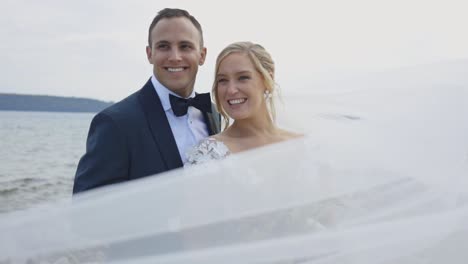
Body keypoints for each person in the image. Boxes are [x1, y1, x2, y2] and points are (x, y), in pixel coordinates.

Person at [73, 8, 220, 194]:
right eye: (164, 46)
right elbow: (86, 208)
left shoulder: (215, 113)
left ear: (202, 55)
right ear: (149, 54)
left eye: (185, 46)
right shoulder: (115, 123)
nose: (175, 57)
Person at [186, 41, 301, 164]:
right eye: (223, 80)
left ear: (268, 79)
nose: (231, 90)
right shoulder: (207, 153)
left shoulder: (300, 144)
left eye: (243, 78)